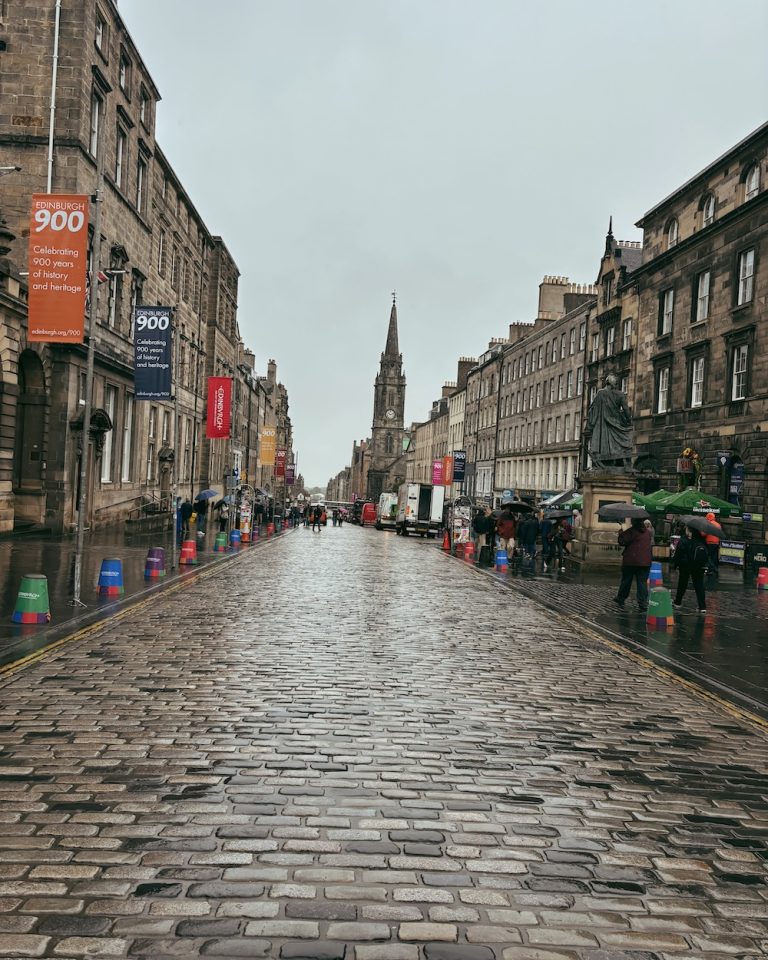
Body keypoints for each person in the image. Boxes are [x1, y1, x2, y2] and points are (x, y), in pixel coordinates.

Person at [584, 373, 633, 470]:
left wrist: (590, 424)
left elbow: (592, 410)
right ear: (613, 384)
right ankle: (619, 462)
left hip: (603, 426)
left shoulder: (600, 393)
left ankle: (608, 461)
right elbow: (626, 410)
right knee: (624, 440)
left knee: (606, 444)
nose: (616, 385)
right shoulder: (620, 395)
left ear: (607, 383)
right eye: (616, 384)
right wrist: (629, 421)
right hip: (615, 424)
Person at [612, 517, 653, 610]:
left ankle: (621, 598)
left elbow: (622, 541)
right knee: (642, 583)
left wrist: (621, 533)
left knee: (626, 580)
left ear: (633, 521)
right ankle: (642, 603)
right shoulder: (648, 532)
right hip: (645, 561)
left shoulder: (631, 531)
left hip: (630, 561)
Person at [672, 526, 708, 613]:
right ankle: (702, 607)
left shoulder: (684, 539)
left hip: (685, 565)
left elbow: (678, 553)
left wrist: (675, 564)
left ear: (688, 530)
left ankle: (678, 602)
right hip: (698, 566)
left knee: (682, 584)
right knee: (699, 585)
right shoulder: (701, 539)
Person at [704, 511, 722, 577]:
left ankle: (711, 569)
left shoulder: (708, 524)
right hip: (716, 542)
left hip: (709, 542)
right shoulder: (718, 525)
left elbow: (704, 534)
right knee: (714, 556)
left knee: (709, 556)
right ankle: (715, 569)